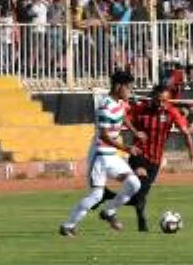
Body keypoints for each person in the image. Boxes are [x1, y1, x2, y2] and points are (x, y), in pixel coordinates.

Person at [59, 70, 144, 236]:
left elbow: (123, 115)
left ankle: (109, 211)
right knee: (96, 195)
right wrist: (127, 148)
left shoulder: (119, 102)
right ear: (118, 87)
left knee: (134, 184)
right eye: (128, 88)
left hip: (111, 155)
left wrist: (134, 131)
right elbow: (104, 136)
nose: (130, 91)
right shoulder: (105, 106)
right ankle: (68, 225)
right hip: (99, 156)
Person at [123, 83, 193, 232]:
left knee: (141, 194)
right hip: (138, 154)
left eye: (165, 101)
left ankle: (115, 202)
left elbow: (185, 132)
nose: (161, 104)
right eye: (159, 100)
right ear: (153, 97)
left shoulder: (171, 112)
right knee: (141, 182)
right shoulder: (141, 108)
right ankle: (136, 216)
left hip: (156, 159)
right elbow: (124, 117)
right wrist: (134, 131)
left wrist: (192, 152)